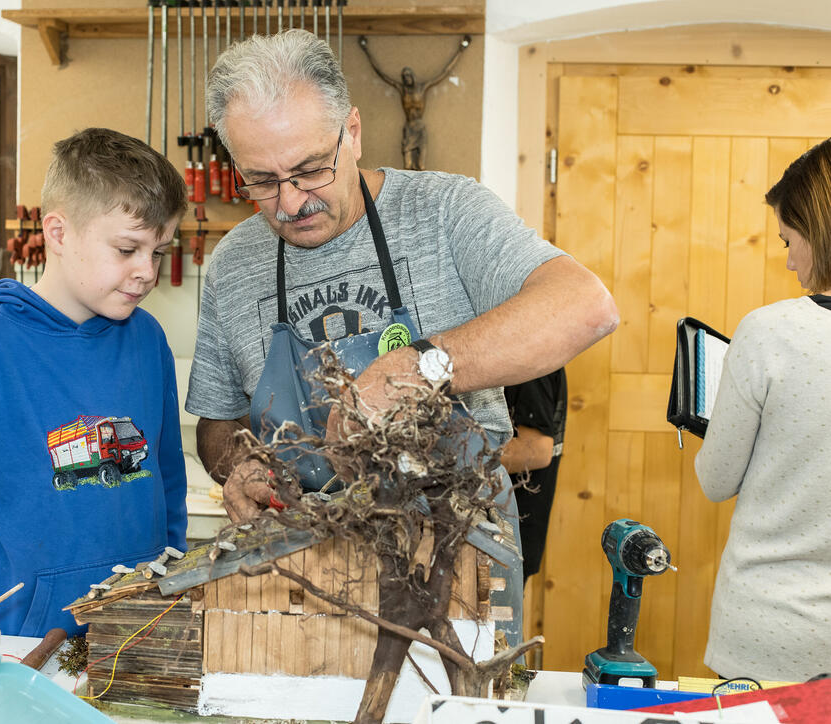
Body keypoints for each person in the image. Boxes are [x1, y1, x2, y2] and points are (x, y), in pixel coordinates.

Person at [187, 30, 617, 645]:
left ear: (353, 131)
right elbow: (218, 425)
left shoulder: (446, 213)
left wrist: (423, 367)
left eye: (310, 169)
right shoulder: (234, 264)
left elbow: (585, 306)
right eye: (261, 181)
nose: (289, 202)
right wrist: (242, 465)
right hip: (308, 575)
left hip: (457, 567)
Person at [0, 128, 189, 637]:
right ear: (58, 234)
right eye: (128, 249)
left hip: (130, 634)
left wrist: (167, 590)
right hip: (8, 649)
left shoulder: (149, 341)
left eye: (159, 252)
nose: (146, 272)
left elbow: (167, 482)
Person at [695, 138, 831, 682]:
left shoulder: (771, 332)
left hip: (770, 632)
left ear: (819, 230)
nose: (792, 260)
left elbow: (716, 479)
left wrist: (713, 427)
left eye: (788, 241)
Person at [357, 35, 470, 171]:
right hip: (409, 127)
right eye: (404, 77)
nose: (406, 78)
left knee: (421, 166)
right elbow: (381, 74)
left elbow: (444, 72)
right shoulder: (402, 89)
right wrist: (365, 50)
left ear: (412, 76)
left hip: (419, 128)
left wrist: (461, 50)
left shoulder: (422, 88)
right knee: (407, 166)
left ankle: (422, 191)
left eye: (408, 75)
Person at [501, 369, 566, 582]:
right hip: (503, 538)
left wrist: (443, 460)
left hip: (506, 540)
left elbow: (535, 451)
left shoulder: (531, 355)